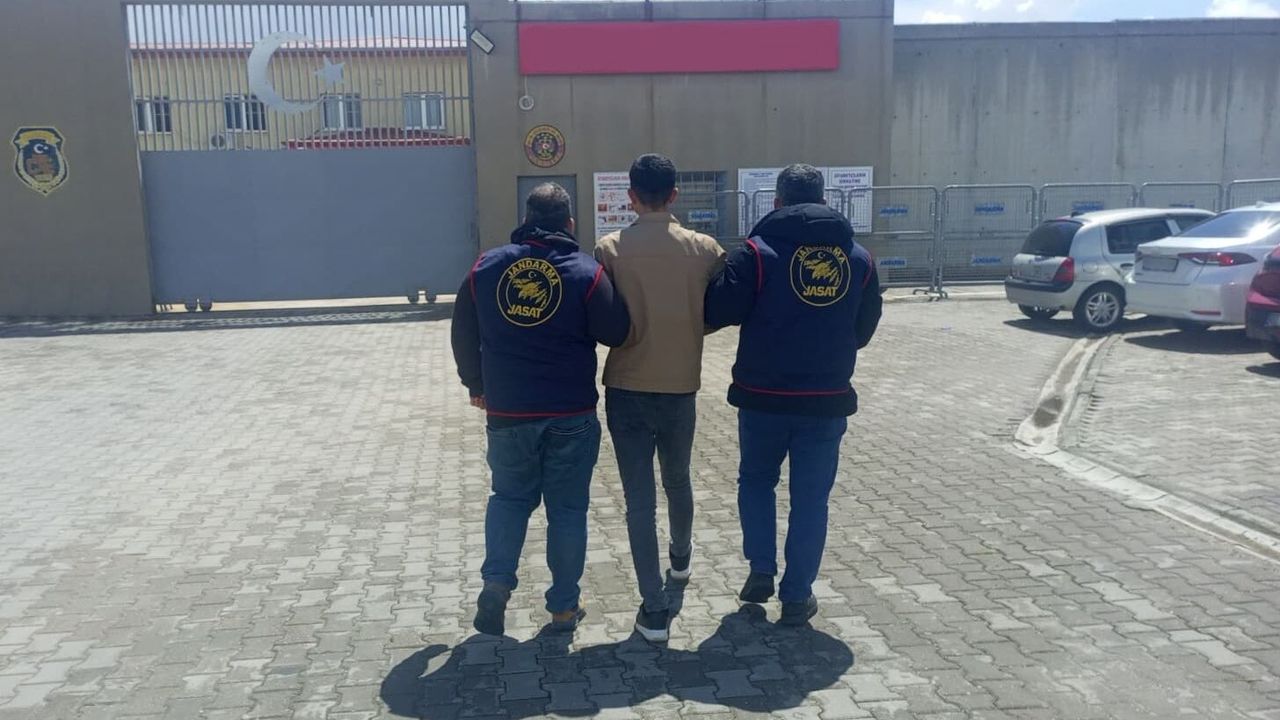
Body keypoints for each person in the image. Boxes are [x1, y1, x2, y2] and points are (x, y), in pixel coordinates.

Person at [704, 163, 882, 626]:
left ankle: (761, 569)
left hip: (761, 396)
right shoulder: (859, 259)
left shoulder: (756, 253)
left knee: (755, 481)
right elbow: (864, 331)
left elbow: (718, 310)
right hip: (825, 398)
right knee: (810, 500)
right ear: (824, 200)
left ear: (777, 202)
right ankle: (798, 596)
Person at [451, 183, 630, 637]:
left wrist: (476, 385)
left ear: (526, 220)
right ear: (569, 223)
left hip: (509, 411)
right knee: (567, 510)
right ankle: (564, 610)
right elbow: (616, 332)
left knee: (509, 499)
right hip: (571, 411)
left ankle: (496, 584)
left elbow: (462, 329)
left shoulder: (486, 267)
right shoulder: (586, 272)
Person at [594, 154, 726, 642]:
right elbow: (720, 307)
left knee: (639, 500)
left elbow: (603, 316)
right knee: (678, 478)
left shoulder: (609, 249)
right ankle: (682, 559)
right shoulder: (705, 249)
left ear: (630, 196)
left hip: (626, 384)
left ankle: (653, 609)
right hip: (680, 385)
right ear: (674, 195)